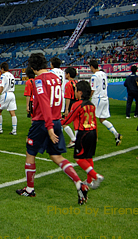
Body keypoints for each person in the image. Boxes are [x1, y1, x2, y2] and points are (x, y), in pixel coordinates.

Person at [16, 53, 89, 205]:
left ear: (32, 67)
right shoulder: (56, 78)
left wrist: (48, 127)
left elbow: (43, 103)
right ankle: (79, 183)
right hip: (55, 121)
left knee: (30, 153)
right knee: (57, 157)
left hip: (43, 123)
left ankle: (30, 189)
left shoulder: (38, 81)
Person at [61, 80, 104, 189]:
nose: (75, 92)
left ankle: (96, 176)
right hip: (93, 132)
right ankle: (89, 181)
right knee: (88, 157)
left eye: (76, 90)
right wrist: (97, 135)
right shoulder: (91, 105)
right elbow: (94, 119)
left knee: (78, 157)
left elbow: (68, 119)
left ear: (80, 92)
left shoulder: (77, 104)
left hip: (83, 133)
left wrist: (56, 122)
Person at [89, 60, 122, 146]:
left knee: (93, 119)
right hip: (105, 98)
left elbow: (93, 89)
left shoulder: (94, 76)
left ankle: (94, 138)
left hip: (98, 98)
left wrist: (88, 98)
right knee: (102, 119)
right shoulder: (104, 74)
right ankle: (116, 134)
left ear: (92, 66)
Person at [0, 62, 17, 135]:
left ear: (2, 69)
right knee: (12, 112)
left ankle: (0, 129)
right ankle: (14, 130)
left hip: (6, 94)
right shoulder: (12, 75)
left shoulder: (3, 76)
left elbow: (2, 86)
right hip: (12, 94)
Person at [64, 67, 79, 148]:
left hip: (71, 104)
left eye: (65, 73)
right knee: (76, 122)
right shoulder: (77, 82)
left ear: (68, 74)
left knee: (64, 122)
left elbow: (68, 97)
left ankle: (73, 139)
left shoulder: (68, 84)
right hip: (78, 103)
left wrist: (66, 109)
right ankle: (77, 139)